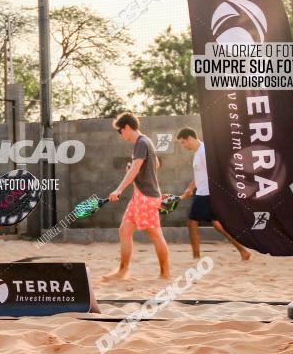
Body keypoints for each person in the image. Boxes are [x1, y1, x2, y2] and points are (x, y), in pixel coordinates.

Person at [105, 112, 170, 281]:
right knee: (124, 230)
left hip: (146, 197)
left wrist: (118, 190)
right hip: (139, 196)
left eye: (120, 131)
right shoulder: (144, 142)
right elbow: (154, 164)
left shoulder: (141, 143)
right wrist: (136, 169)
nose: (121, 135)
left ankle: (165, 274)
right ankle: (122, 271)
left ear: (127, 127)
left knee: (156, 235)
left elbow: (136, 169)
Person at [176, 127, 251, 261]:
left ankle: (196, 257)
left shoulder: (204, 151)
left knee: (191, 223)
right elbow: (200, 174)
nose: (183, 146)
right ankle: (243, 251)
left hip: (206, 193)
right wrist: (190, 187)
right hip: (203, 192)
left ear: (190, 138)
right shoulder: (197, 152)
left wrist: (217, 193)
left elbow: (215, 172)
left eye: (183, 142)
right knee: (217, 224)